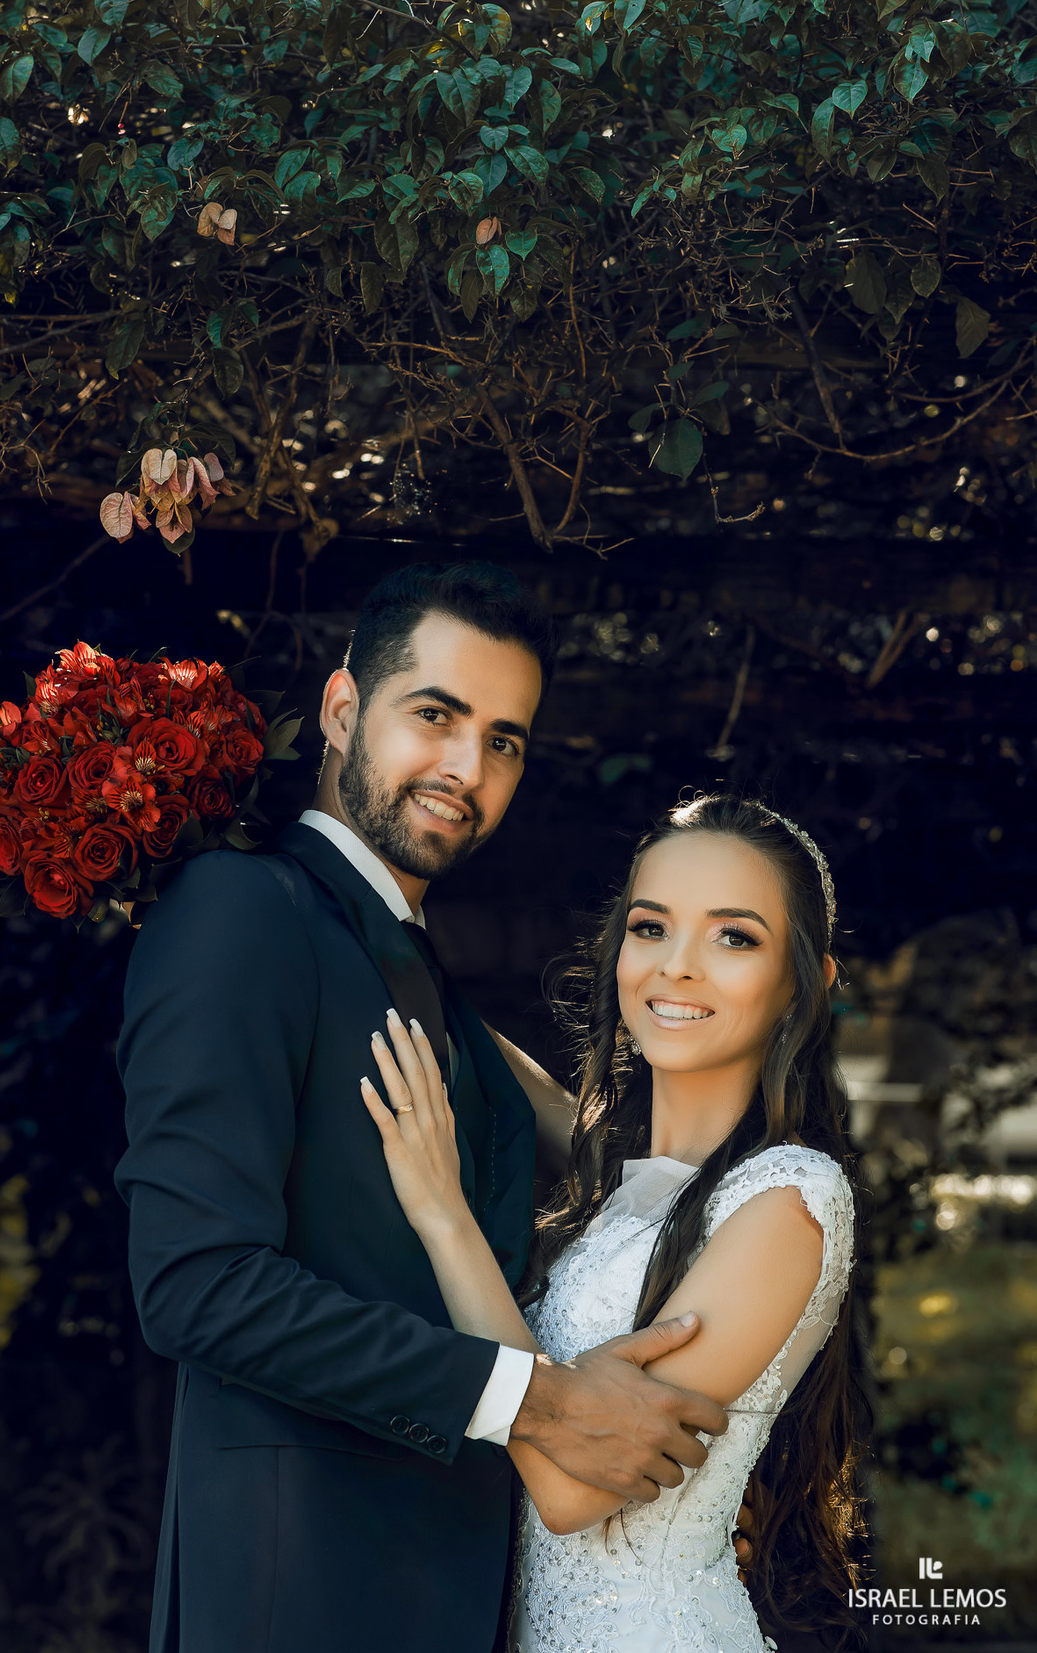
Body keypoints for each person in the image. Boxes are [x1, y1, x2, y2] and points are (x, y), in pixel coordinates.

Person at [113, 564, 733, 1653]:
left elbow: (598, 1156)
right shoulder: (243, 911)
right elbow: (195, 1284)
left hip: (448, 1588)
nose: (467, 768)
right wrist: (537, 1402)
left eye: (505, 740)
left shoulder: (404, 958)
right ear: (344, 708)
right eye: (436, 715)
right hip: (300, 1593)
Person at [361, 793, 870, 1653]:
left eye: (734, 936)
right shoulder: (635, 1183)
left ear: (804, 984)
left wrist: (445, 1215)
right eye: (650, 927)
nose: (677, 966)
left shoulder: (789, 1203)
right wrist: (350, 938)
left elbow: (572, 1495)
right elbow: (518, 1082)